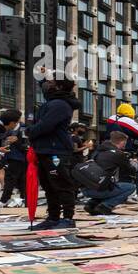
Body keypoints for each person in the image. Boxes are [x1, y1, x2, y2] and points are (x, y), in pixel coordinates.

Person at [26, 77, 80, 230]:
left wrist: (30, 131)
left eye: (51, 82)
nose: (47, 85)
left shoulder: (60, 105)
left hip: (56, 151)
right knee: (49, 185)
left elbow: (46, 125)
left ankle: (67, 218)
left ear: (59, 87)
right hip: (46, 149)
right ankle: (53, 217)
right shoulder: (54, 102)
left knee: (61, 184)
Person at [81, 129, 137, 215]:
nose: (125, 144)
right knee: (130, 187)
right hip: (98, 189)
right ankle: (105, 206)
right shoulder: (118, 154)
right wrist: (133, 163)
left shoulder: (98, 151)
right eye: (125, 142)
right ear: (122, 142)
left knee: (106, 185)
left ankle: (91, 204)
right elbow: (130, 170)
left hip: (85, 188)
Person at [0, 129, 29, 206]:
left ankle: (4, 200)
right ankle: (25, 199)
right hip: (20, 157)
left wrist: (14, 141)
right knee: (22, 180)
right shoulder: (21, 128)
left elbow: (23, 145)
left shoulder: (16, 129)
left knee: (11, 180)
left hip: (15, 158)